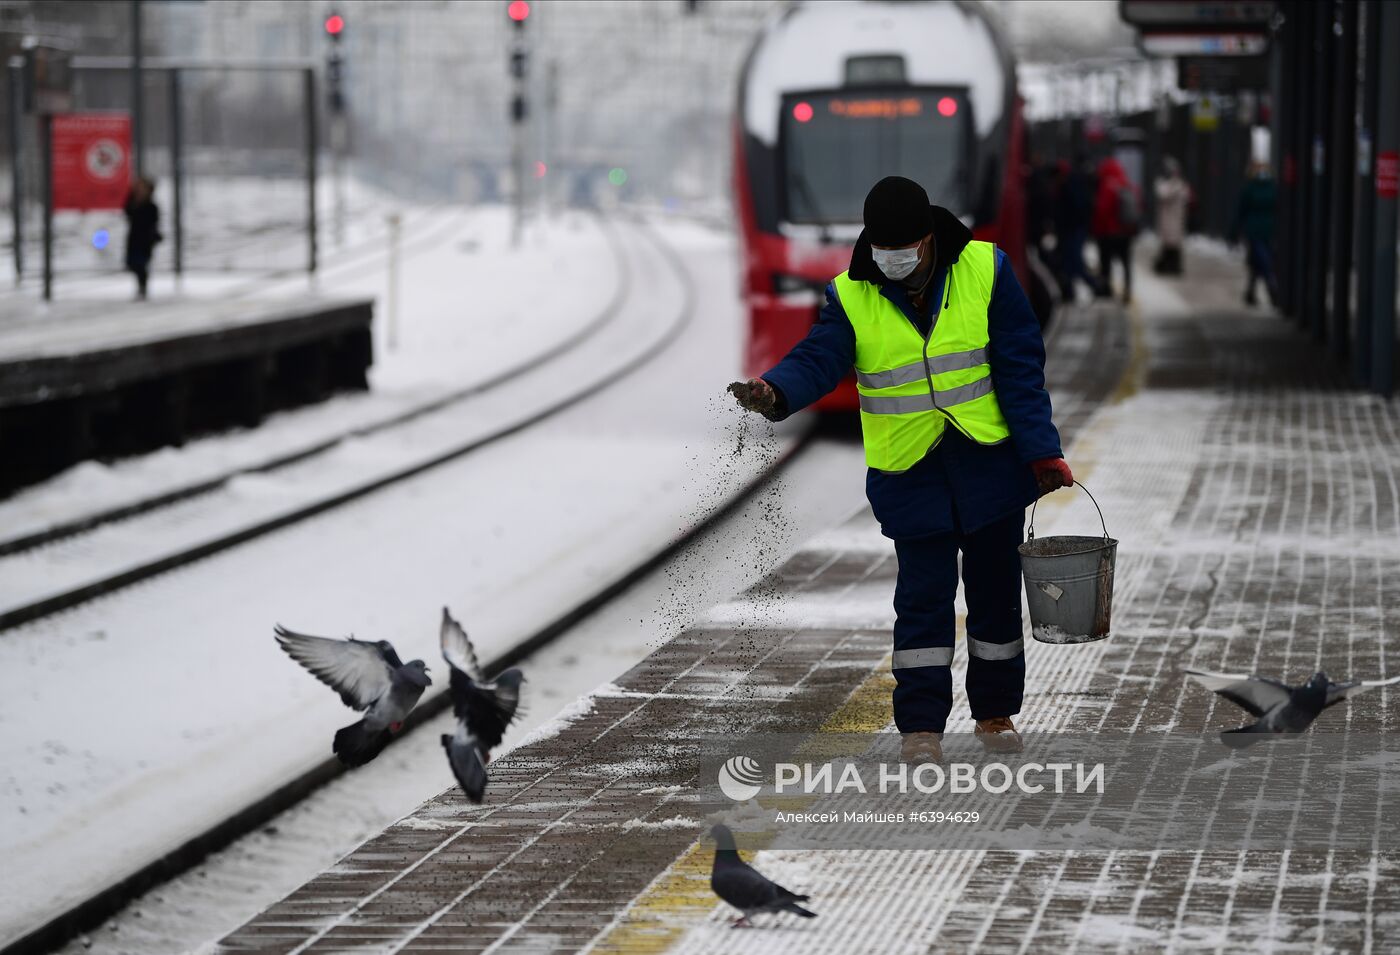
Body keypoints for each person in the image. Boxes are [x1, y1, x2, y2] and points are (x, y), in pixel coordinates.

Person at [727, 176, 1072, 763]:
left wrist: (1041, 452)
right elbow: (820, 356)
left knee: (995, 602)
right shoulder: (850, 293)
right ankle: (921, 729)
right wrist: (775, 390)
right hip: (911, 473)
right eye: (881, 246)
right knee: (923, 604)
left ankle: (995, 715)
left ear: (929, 239)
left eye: (902, 246)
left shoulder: (987, 270)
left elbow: (1019, 368)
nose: (891, 258)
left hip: (987, 460)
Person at [1092, 157, 1140, 304]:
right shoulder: (1127, 183)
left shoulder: (1108, 185)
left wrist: (1096, 228)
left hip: (1109, 232)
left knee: (1106, 263)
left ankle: (1106, 290)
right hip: (1125, 232)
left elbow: (1102, 210)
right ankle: (1127, 290)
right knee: (1126, 263)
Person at [1231, 160, 1279, 307]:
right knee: (1259, 259)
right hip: (1265, 230)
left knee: (1260, 260)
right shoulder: (1271, 187)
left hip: (1256, 230)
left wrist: (1234, 232)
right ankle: (1255, 292)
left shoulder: (1251, 187)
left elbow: (1241, 211)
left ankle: (1267, 288)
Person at [1052, 155, 1099, 301]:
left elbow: (1073, 208)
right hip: (1073, 229)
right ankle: (1074, 290)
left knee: (1074, 262)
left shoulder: (1069, 185)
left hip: (1072, 229)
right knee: (1072, 262)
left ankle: (1094, 286)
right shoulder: (1073, 183)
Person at [123, 176, 161, 300]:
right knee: (133, 263)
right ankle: (141, 287)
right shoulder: (133, 203)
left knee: (141, 264)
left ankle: (142, 288)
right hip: (134, 238)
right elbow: (127, 211)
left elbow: (153, 222)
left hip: (145, 240)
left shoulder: (151, 206)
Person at [1152, 157, 1191, 276]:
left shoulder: (1177, 185)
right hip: (1170, 220)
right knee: (1169, 245)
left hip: (1173, 220)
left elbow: (1164, 194)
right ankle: (1168, 266)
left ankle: (1171, 266)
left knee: (1172, 245)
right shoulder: (1178, 185)